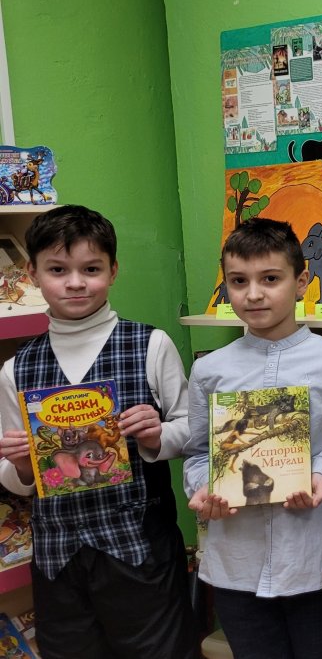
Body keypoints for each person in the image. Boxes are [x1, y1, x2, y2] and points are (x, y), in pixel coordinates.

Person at [0, 205, 200, 659]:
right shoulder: (16, 368)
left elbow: (193, 431)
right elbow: (15, 476)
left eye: (91, 269)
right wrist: (21, 466)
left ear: (113, 271)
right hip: (58, 557)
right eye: (57, 270)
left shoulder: (150, 344)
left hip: (140, 549)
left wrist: (156, 435)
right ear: (32, 274)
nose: (75, 282)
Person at [183, 217, 322, 659]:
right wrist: (205, 487)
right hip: (237, 568)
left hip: (315, 563)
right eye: (239, 281)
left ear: (301, 282)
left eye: (270, 279)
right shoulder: (209, 370)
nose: (253, 294)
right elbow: (197, 454)